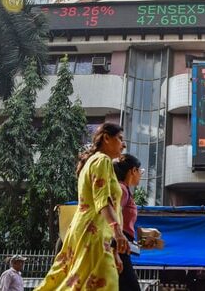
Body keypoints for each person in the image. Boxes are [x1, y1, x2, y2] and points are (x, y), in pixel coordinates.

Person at [35, 122, 130, 290]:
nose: (124, 144)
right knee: (100, 284)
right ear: (107, 138)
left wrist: (115, 252)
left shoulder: (94, 161)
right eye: (120, 139)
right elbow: (103, 201)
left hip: (87, 231)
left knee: (72, 282)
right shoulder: (102, 160)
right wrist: (118, 232)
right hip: (93, 233)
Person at [113, 154, 145, 291]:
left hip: (121, 248)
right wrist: (114, 252)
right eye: (140, 171)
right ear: (133, 171)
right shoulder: (122, 190)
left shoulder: (124, 190)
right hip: (117, 249)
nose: (141, 175)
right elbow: (111, 218)